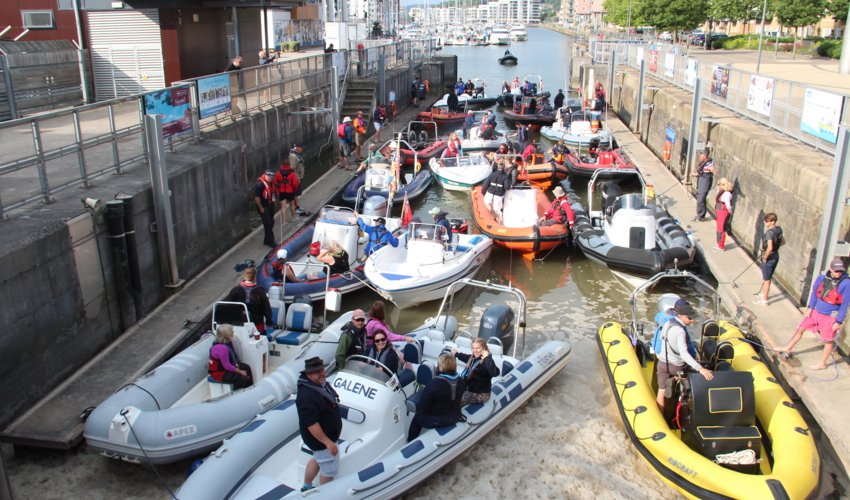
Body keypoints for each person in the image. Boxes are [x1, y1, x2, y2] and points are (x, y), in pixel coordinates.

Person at [777, 259, 850, 370]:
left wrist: (838, 321)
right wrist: (810, 307)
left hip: (830, 316)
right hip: (816, 311)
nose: (838, 273)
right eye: (836, 271)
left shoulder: (846, 283)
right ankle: (788, 347)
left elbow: (844, 304)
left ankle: (822, 363)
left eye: (840, 271)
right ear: (830, 269)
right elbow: (815, 293)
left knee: (828, 340)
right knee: (800, 328)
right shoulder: (821, 278)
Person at [655, 299, 714, 411]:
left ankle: (661, 419)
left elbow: (661, 339)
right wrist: (700, 368)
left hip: (662, 364)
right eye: (689, 318)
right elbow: (684, 354)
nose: (692, 321)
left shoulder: (668, 323)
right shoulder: (681, 331)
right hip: (676, 366)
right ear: (681, 316)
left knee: (661, 391)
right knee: (699, 374)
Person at [296, 357, 342, 491]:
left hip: (319, 442)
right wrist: (328, 443)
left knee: (316, 459)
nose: (322, 373)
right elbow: (312, 424)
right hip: (322, 442)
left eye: (322, 369)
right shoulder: (306, 397)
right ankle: (324, 494)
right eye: (317, 371)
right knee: (329, 470)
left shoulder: (317, 383)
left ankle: (306, 485)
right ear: (309, 374)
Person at [407, 353, 467, 441]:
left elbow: (423, 407)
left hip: (440, 419)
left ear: (441, 367)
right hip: (455, 415)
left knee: (418, 417)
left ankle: (410, 441)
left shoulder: (434, 384)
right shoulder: (461, 381)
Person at [224, 266, 273, 335]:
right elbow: (266, 308)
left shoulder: (236, 290)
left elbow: (227, 305)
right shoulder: (260, 291)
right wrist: (269, 322)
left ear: (244, 276)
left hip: (240, 324)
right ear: (255, 277)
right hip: (257, 324)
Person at [452, 338, 499, 405]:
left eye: (478, 348)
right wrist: (456, 354)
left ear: (484, 349)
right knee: (450, 391)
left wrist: (487, 358)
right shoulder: (473, 358)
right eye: (473, 348)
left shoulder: (487, 361)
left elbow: (495, 373)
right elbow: (465, 357)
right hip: (470, 389)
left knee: (454, 398)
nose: (475, 351)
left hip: (481, 394)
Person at [208, 324, 253, 390]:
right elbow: (227, 366)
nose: (233, 332)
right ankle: (235, 395)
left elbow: (231, 358)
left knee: (246, 367)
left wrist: (238, 367)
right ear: (226, 334)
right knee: (241, 378)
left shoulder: (226, 341)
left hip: (227, 366)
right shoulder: (222, 348)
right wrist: (240, 371)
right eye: (231, 331)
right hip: (219, 373)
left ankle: (250, 388)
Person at [755, 213, 782, 306]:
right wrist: (776, 247)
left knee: (767, 279)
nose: (764, 222)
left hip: (769, 257)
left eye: (766, 221)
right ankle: (764, 294)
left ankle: (765, 300)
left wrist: (765, 257)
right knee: (767, 276)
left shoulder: (769, 233)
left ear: (772, 222)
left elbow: (769, 247)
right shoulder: (778, 229)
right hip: (776, 255)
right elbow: (783, 241)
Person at [254, 169, 277, 247]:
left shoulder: (271, 183)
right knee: (267, 223)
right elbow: (257, 197)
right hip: (264, 206)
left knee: (271, 222)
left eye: (271, 176)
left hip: (270, 205)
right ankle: (271, 241)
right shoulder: (260, 185)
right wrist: (260, 207)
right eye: (269, 176)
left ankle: (266, 240)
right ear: (265, 175)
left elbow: (273, 193)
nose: (270, 178)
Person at [691, 151, 715, 222]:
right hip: (701, 181)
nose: (699, 157)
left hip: (705, 182)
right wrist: (694, 174)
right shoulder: (702, 162)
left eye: (701, 156)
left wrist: (712, 170)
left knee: (700, 199)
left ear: (705, 156)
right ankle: (701, 215)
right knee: (701, 198)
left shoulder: (709, 163)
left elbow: (712, 169)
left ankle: (700, 216)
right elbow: (700, 172)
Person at [713, 178, 733, 252]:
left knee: (721, 229)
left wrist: (730, 211)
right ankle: (718, 243)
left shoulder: (727, 194)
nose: (719, 186)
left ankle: (721, 246)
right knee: (718, 228)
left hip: (723, 212)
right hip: (720, 211)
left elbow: (728, 205)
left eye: (720, 184)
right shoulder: (722, 192)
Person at [289, 143, 308, 216]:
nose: (302, 149)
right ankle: (295, 208)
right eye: (301, 148)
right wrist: (297, 178)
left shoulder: (296, 154)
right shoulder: (294, 156)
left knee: (297, 194)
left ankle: (297, 207)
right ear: (297, 148)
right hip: (296, 178)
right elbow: (292, 168)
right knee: (295, 194)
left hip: (299, 177)